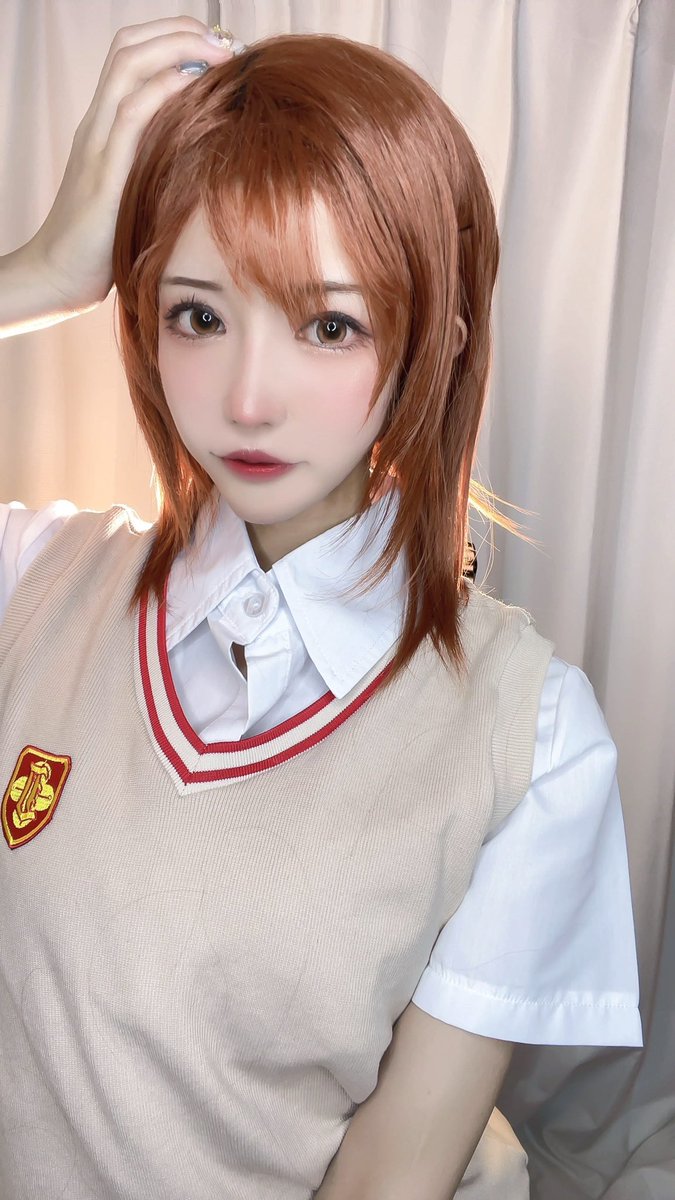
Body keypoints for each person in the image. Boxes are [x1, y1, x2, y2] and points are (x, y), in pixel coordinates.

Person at [0, 15, 642, 1200]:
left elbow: (389, 1179)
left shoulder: (533, 741)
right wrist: (40, 270)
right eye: (198, 315)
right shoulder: (33, 579)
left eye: (328, 325)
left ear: (432, 345)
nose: (248, 398)